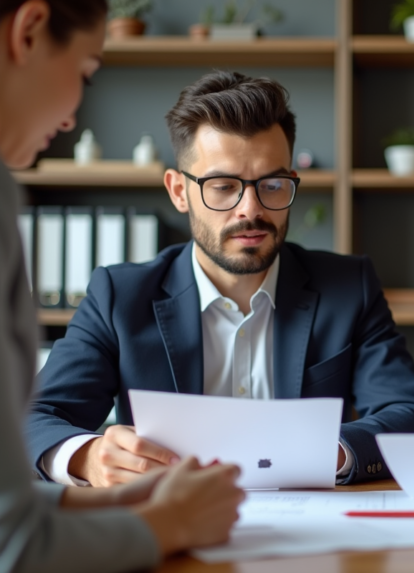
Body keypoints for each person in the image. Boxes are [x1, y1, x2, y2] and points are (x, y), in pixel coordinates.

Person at [25, 69, 414, 488]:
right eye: (223, 186)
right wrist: (87, 458)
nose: (250, 209)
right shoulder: (119, 297)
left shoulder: (350, 287)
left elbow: (413, 416)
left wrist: (324, 450)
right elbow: (33, 421)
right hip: (171, 531)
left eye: (272, 184)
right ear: (178, 192)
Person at [0, 1, 244, 571]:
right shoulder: (118, 291)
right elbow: (16, 547)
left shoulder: (346, 282)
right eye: (86, 73)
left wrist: (101, 504)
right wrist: (167, 523)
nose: (69, 119)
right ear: (30, 31)